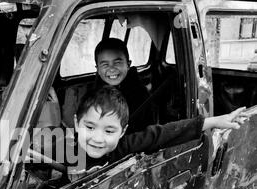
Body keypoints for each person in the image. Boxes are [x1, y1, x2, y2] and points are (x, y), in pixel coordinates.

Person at [52, 87, 249, 181]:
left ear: (123, 132)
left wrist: (214, 121)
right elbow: (29, 147)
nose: (97, 138)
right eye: (90, 127)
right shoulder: (66, 148)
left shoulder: (124, 147)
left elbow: (162, 134)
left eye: (109, 130)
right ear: (77, 124)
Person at [93, 38, 156, 132]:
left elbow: (145, 129)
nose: (111, 69)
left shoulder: (140, 94)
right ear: (97, 69)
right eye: (105, 65)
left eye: (117, 63)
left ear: (128, 64)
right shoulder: (95, 93)